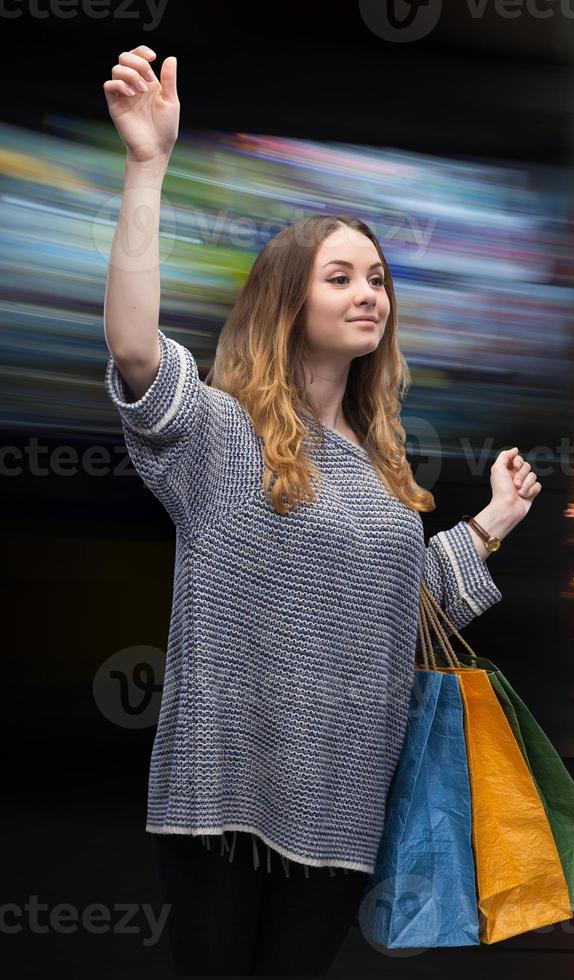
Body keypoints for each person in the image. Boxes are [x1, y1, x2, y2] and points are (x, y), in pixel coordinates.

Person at [101, 45, 542, 975]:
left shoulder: (384, 473)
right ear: (287, 300)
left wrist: (494, 520)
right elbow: (137, 347)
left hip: (343, 805)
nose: (369, 293)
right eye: (341, 276)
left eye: (378, 278)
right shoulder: (220, 436)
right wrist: (148, 166)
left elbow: (405, 608)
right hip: (224, 795)